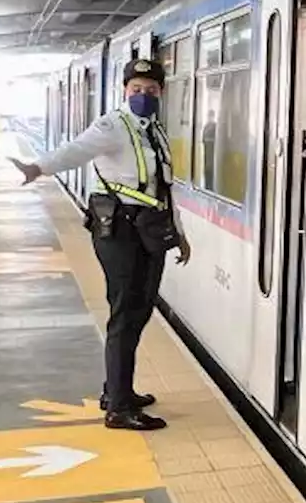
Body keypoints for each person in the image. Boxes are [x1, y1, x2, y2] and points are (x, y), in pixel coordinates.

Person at [10, 58, 192, 431]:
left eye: (151, 90)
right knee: (125, 314)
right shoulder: (112, 125)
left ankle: (117, 390)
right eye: (136, 89)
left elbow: (165, 189)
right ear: (125, 91)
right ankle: (119, 409)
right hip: (120, 232)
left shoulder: (154, 131)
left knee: (139, 311)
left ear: (162, 92)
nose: (144, 95)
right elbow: (74, 150)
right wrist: (37, 168)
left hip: (149, 231)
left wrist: (180, 233)